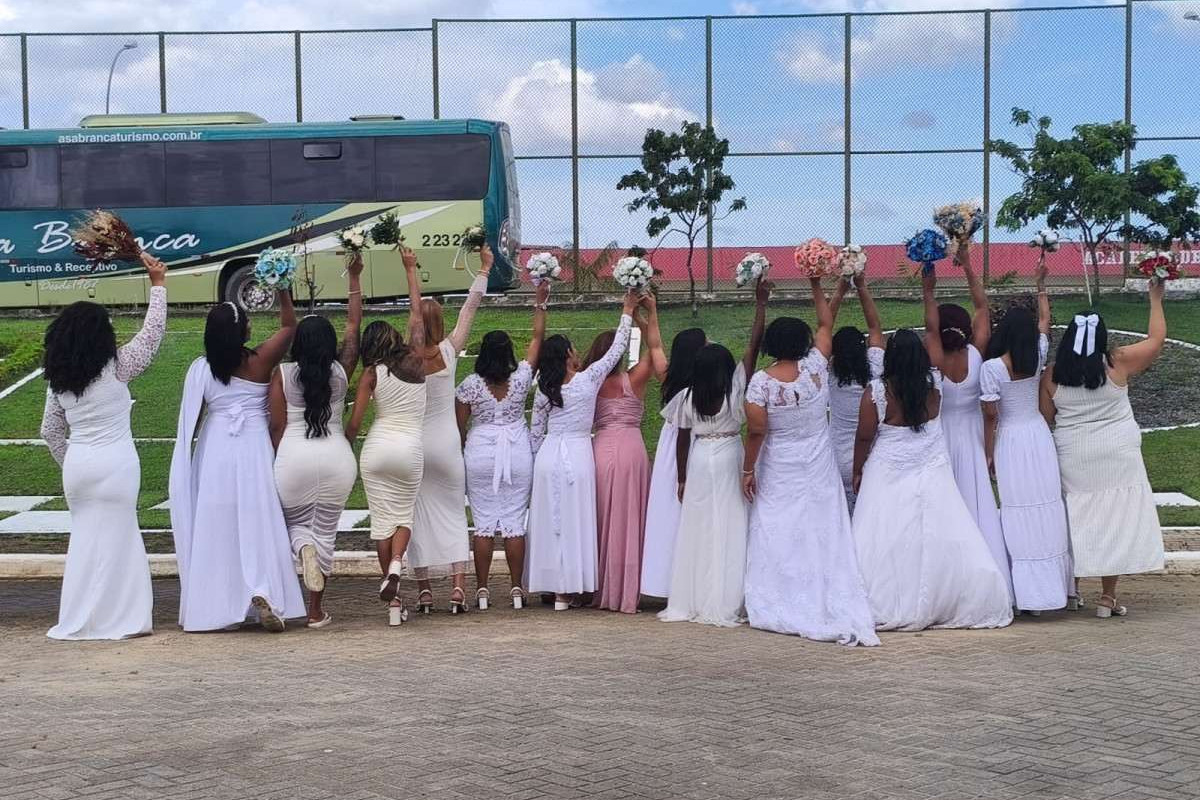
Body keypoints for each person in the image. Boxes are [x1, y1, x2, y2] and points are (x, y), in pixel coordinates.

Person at [850, 282, 1013, 632]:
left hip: (888, 466)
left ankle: (886, 598)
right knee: (938, 532)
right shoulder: (934, 385)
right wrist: (930, 290)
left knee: (886, 533)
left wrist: (857, 468)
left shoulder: (878, 392)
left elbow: (864, 436)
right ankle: (947, 595)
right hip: (930, 465)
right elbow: (932, 329)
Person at [742, 278, 878, 646]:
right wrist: (818, 284)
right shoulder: (817, 367)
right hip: (818, 462)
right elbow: (825, 324)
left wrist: (748, 468)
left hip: (780, 463)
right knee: (821, 525)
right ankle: (823, 588)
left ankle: (781, 592)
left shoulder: (760, 383)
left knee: (780, 526)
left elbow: (757, 433)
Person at [41, 253, 168, 640]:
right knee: (121, 538)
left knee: (84, 542)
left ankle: (81, 618)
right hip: (116, 465)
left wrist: (72, 463)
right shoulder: (117, 366)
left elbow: (50, 432)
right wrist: (158, 284)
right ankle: (122, 619)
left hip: (78, 468)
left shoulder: (58, 380)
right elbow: (151, 335)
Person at [169, 281, 305, 633]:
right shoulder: (259, 361)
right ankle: (264, 589)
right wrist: (284, 289)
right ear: (241, 330)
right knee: (258, 519)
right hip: (253, 447)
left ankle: (219, 603)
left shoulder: (201, 369)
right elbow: (290, 327)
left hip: (215, 450)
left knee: (218, 526)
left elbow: (192, 419)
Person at [1040, 282, 1167, 618]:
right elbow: (1156, 342)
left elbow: (1045, 418)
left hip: (1074, 455)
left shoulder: (1052, 375)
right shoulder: (1118, 361)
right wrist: (1155, 299)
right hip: (1117, 453)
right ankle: (1107, 598)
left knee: (1077, 520)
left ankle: (1073, 591)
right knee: (1113, 520)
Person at [658, 279, 769, 627]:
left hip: (700, 459)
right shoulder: (736, 390)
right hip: (729, 455)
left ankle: (693, 595)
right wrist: (760, 305)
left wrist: (680, 477)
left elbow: (680, 438)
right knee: (731, 524)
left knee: (699, 527)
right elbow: (753, 347)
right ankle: (728, 597)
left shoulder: (688, 396)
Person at [268, 254, 364, 628]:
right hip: (337, 459)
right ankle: (314, 611)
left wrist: (283, 290)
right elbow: (354, 326)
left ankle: (301, 548)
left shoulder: (283, 373)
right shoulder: (341, 371)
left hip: (294, 456)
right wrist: (355, 277)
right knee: (327, 531)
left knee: (294, 527)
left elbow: (276, 428)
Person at [527, 291, 638, 611]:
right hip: (577, 454)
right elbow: (618, 346)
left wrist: (536, 466)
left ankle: (551, 587)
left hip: (549, 455)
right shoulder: (589, 379)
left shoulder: (546, 388)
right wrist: (626, 309)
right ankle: (569, 589)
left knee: (551, 521)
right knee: (575, 522)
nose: (578, 351)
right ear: (567, 356)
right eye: (573, 348)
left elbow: (535, 432)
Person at [924, 243, 1013, 604]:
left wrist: (927, 286)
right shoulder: (977, 353)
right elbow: (982, 307)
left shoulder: (933, 358)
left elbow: (930, 324)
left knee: (946, 509)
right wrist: (967, 266)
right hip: (974, 439)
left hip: (941, 437)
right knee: (978, 507)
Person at [982, 262, 1073, 614]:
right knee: (1045, 508)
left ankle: (1026, 595)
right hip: (1038, 436)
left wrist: (988, 452)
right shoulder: (1036, 354)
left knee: (1017, 509)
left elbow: (991, 417)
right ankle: (1053, 590)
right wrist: (1041, 286)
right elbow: (1045, 322)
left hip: (1011, 442)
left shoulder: (992, 369)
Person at [455, 280, 550, 611]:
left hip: (480, 453)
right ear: (508, 353)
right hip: (517, 452)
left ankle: (481, 590)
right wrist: (540, 301)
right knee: (513, 524)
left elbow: (459, 425)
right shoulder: (522, 378)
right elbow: (537, 340)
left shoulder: (470, 385)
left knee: (482, 524)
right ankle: (514, 589)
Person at [345, 247, 426, 627]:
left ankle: (393, 606)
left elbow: (356, 423)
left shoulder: (371, 374)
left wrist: (342, 445)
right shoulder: (416, 360)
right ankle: (397, 564)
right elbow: (416, 312)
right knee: (403, 517)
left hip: (376, 450)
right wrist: (410, 269)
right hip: (410, 448)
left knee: (381, 522)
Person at [410, 245, 492, 614]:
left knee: (416, 515)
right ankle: (459, 587)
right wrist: (485, 269)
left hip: (417, 443)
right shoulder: (449, 349)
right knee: (455, 515)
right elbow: (470, 308)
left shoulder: (407, 358)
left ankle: (425, 589)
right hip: (447, 443)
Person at [588, 293, 668, 613]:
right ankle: (627, 588)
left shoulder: (587, 382)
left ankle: (598, 583)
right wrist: (648, 317)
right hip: (631, 450)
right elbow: (656, 352)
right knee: (630, 518)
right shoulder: (633, 379)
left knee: (602, 518)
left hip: (600, 448)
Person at [639, 326, 706, 600]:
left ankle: (667, 580)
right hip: (688, 445)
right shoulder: (698, 385)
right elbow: (655, 346)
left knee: (670, 511)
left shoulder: (671, 377)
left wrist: (651, 315)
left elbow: (655, 345)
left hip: (673, 447)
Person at [828, 272, 885, 510]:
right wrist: (861, 286)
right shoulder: (874, 367)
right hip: (871, 457)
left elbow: (824, 327)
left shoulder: (828, 371)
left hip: (836, 459)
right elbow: (875, 327)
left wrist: (840, 291)